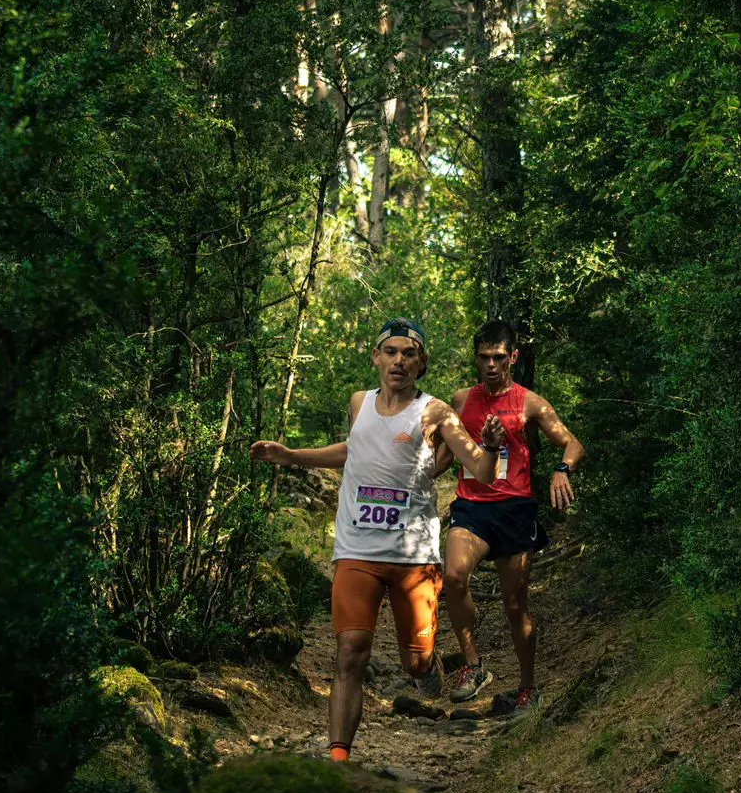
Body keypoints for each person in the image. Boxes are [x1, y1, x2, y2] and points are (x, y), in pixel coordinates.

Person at [250, 318, 496, 762]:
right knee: (350, 652)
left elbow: (481, 470)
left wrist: (492, 448)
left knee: (415, 664)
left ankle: (428, 670)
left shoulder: (435, 411)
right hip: (356, 550)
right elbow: (353, 450)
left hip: (413, 557)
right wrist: (290, 456)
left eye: (409, 353)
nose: (398, 360)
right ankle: (338, 760)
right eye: (391, 352)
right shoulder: (358, 402)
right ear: (376, 357)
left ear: (421, 363)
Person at [439, 320, 585, 708]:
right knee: (453, 576)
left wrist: (562, 469)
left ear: (513, 358)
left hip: (515, 510)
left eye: (499, 358)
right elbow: (442, 458)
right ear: (476, 358)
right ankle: (473, 664)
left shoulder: (530, 402)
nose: (491, 365)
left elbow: (572, 443)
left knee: (515, 604)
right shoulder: (459, 401)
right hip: (471, 506)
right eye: (484, 357)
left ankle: (527, 687)